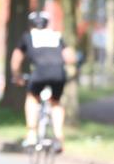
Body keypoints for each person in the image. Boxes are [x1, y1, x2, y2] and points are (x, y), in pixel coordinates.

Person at [10, 11, 77, 152]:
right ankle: (58, 137)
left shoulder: (27, 36)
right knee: (56, 102)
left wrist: (16, 75)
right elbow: (70, 57)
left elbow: (16, 58)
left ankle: (32, 133)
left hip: (39, 72)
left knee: (32, 98)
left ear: (31, 24)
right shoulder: (56, 36)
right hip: (58, 73)